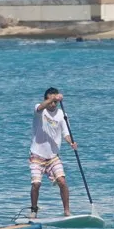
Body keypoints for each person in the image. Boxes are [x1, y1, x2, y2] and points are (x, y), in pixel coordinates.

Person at [29, 88, 77, 218]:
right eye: (51, 101)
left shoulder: (62, 114)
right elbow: (41, 106)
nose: (53, 104)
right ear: (46, 99)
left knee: (62, 181)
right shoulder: (39, 110)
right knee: (36, 184)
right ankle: (33, 211)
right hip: (36, 155)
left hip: (53, 157)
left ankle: (67, 211)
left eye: (55, 102)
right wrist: (54, 98)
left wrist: (71, 142)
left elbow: (66, 133)